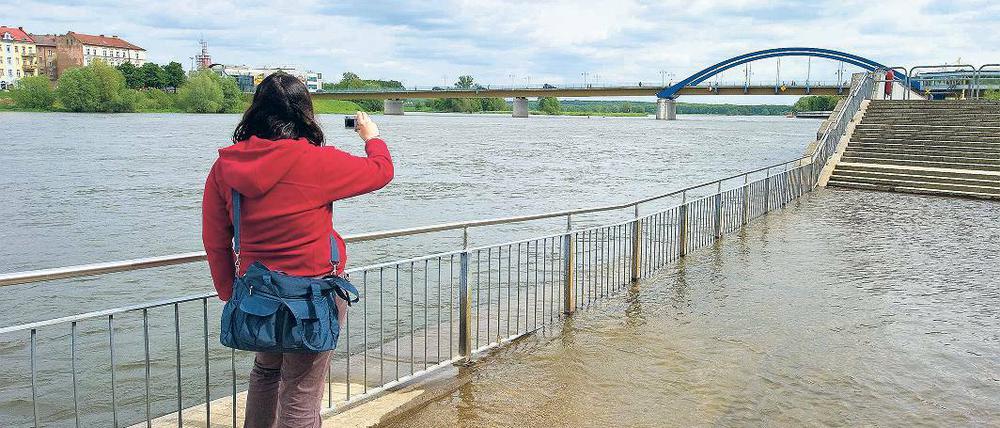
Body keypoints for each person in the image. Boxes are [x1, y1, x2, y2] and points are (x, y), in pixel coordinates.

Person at [201, 72, 393, 427]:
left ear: (255, 111)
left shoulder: (225, 167)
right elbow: (381, 171)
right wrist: (372, 138)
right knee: (301, 394)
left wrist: (230, 291)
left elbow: (215, 240)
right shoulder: (318, 161)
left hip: (258, 293)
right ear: (304, 112)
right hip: (313, 296)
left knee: (265, 374)